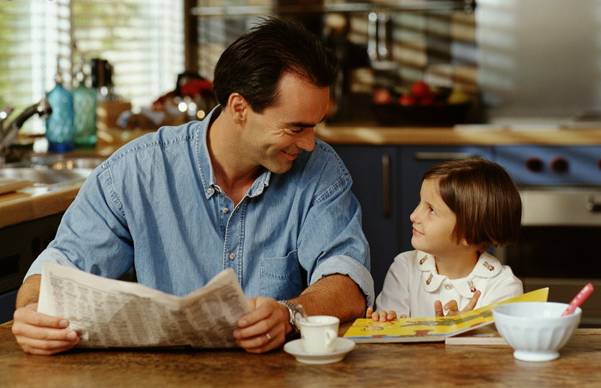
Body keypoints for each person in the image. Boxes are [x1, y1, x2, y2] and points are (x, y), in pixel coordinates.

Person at [12, 18, 374, 355]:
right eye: (296, 128)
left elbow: (346, 279)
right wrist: (31, 312)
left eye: (315, 126)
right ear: (239, 108)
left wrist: (290, 312)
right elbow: (60, 266)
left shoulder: (320, 169)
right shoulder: (136, 171)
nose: (310, 143)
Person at [367, 158, 523, 321]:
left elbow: (500, 345)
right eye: (420, 203)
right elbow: (391, 339)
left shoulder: (504, 288)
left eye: (431, 210)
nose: (413, 216)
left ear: (468, 234)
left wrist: (464, 332)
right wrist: (384, 322)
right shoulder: (404, 268)